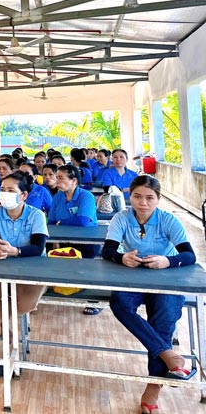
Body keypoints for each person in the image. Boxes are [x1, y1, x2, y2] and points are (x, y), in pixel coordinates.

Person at [103, 176, 197, 413]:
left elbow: (189, 255)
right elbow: (108, 250)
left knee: (163, 319)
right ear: (130, 196)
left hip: (165, 278)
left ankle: (152, 389)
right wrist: (121, 257)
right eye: (137, 196)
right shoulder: (121, 218)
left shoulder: (168, 220)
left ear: (158, 199)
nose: (142, 203)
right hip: (133, 277)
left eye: (149, 198)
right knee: (120, 303)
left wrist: (168, 260)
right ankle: (167, 354)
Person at [0, 171, 49, 378]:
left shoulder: (36, 215)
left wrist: (15, 251)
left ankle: (3, 327)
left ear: (24, 195)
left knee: (24, 302)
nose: (5, 194)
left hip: (33, 267)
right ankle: (9, 341)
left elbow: (37, 248)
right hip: (0, 266)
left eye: (10, 190)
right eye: (2, 190)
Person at [48, 165, 101, 315]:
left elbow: (83, 221)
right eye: (56, 177)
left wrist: (62, 223)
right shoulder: (58, 197)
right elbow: (51, 221)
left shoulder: (86, 196)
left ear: (74, 181)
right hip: (65, 239)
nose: (56, 180)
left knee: (87, 270)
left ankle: (93, 302)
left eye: (60, 177)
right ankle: (68, 292)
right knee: (67, 268)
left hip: (87, 241)